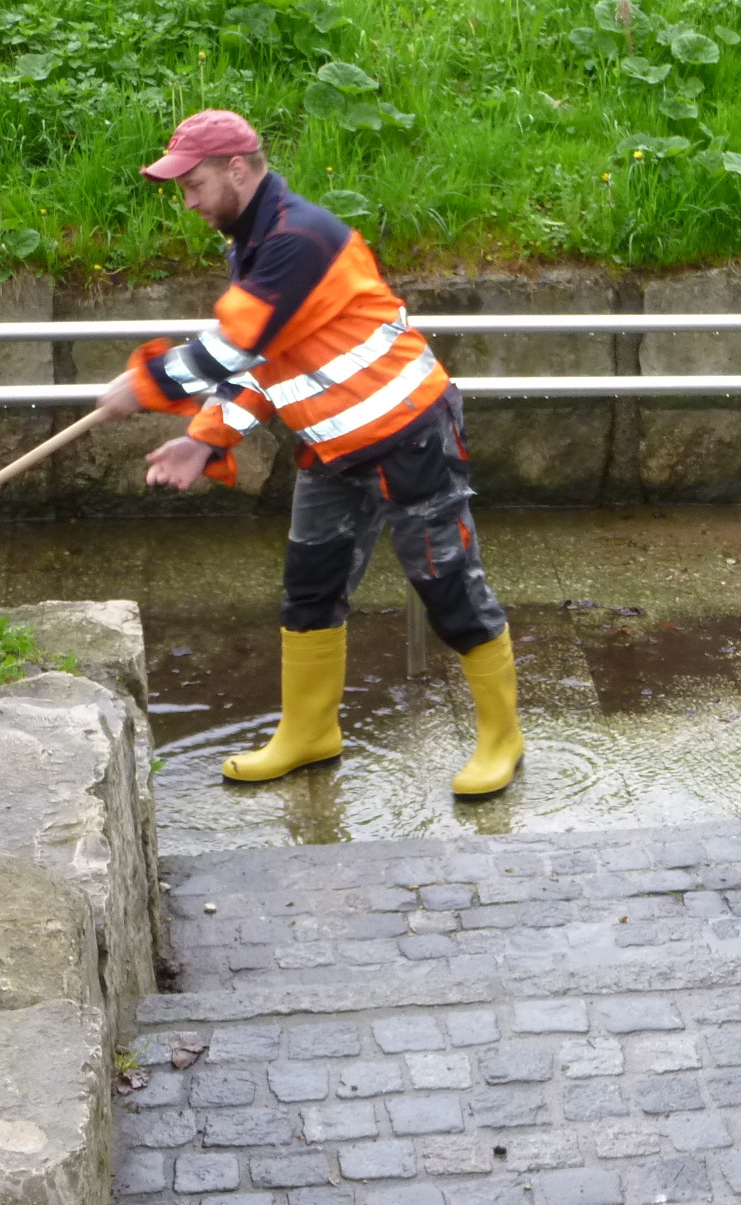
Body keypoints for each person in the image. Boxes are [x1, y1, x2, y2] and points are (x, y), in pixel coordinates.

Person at [97, 109, 523, 796]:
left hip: (411, 436)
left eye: (195, 184)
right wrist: (203, 440)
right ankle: (309, 733)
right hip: (333, 448)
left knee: (449, 589)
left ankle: (503, 741)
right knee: (309, 588)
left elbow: (232, 346)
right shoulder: (256, 243)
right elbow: (265, 365)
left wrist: (142, 384)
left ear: (238, 168)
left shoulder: (299, 240)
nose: (190, 202)